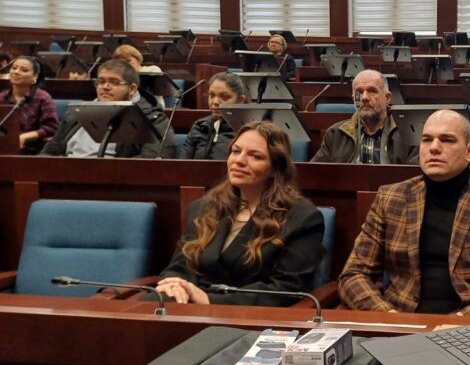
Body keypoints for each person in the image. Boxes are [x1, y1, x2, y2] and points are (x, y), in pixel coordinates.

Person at [338, 109, 470, 316]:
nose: (434, 148)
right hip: (401, 319)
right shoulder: (390, 197)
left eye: (447, 140)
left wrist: (460, 321)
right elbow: (354, 275)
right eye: (427, 140)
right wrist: (388, 315)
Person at [156, 121, 325, 306]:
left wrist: (209, 300)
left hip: (249, 313)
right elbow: (179, 266)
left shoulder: (301, 217)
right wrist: (175, 284)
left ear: (275, 169)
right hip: (190, 306)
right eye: (236, 151)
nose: (239, 161)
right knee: (153, 304)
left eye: (255, 156)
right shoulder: (203, 207)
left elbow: (286, 289)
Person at [39, 59, 176, 158]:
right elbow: (49, 153)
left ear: (132, 89)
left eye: (114, 82)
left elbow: (151, 162)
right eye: (101, 82)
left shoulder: (153, 119)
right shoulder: (76, 113)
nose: (105, 87)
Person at [311, 69, 415, 164]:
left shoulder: (408, 133)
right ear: (353, 100)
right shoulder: (335, 134)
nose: (364, 97)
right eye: (359, 92)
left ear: (387, 98)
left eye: (372, 91)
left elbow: (416, 175)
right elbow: (315, 173)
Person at [179, 72, 247, 160]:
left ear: (240, 100)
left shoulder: (247, 131)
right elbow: (182, 164)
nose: (215, 102)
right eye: (212, 95)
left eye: (224, 96)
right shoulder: (200, 126)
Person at [0, 55, 59, 155]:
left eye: (24, 70)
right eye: (14, 68)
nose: (16, 72)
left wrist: (24, 137)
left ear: (35, 77)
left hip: (33, 151)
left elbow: (52, 127)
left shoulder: (43, 98)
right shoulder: (2, 97)